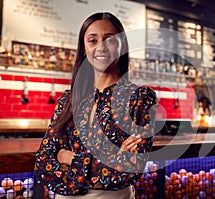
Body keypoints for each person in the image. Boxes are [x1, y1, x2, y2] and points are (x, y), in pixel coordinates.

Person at [34, 12, 157, 199]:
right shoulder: (67, 101)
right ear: (84, 49)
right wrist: (111, 160)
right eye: (92, 40)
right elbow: (43, 163)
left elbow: (129, 169)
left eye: (110, 40)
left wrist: (69, 158)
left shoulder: (139, 99)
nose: (101, 47)